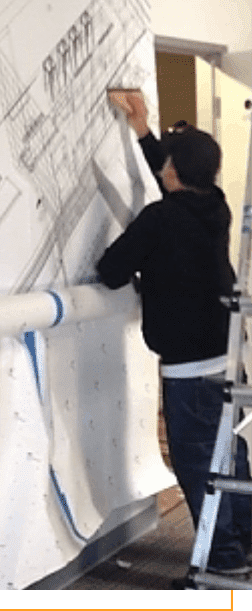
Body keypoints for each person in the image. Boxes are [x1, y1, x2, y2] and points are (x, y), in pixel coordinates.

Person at [97, 92, 252, 579]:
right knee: (230, 453)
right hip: (228, 353)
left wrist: (143, 271)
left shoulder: (159, 221)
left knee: (199, 466)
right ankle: (243, 540)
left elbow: (110, 271)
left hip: (190, 367)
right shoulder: (216, 206)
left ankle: (223, 561)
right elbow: (175, 185)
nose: (162, 166)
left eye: (166, 162)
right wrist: (141, 128)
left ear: (174, 174)